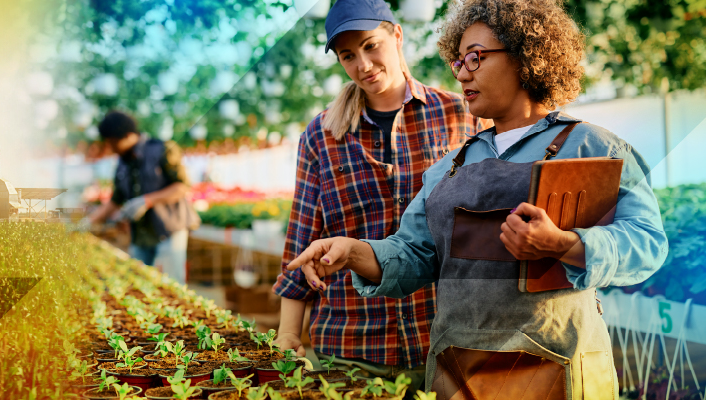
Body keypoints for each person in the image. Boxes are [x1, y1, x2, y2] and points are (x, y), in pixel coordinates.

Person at [285, 0, 667, 396]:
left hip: (561, 368)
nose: (463, 72)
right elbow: (414, 253)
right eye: (459, 61)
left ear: (525, 56)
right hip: (459, 373)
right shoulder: (448, 167)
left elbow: (646, 242)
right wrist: (353, 253)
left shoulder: (593, 146)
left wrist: (564, 245)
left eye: (476, 58)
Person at [269, 0, 487, 384]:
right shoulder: (322, 135)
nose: (362, 65)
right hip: (352, 346)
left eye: (371, 46)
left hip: (445, 342)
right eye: (347, 55)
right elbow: (302, 239)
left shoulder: (462, 116)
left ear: (397, 35)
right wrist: (288, 333)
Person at [85, 110, 197, 283]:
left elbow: (182, 187)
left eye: (113, 142)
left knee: (171, 284)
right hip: (141, 234)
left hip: (169, 229)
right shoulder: (122, 163)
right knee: (138, 283)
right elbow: (116, 200)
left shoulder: (162, 149)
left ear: (128, 135)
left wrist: (148, 201)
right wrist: (88, 223)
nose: (111, 147)